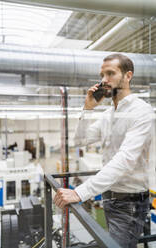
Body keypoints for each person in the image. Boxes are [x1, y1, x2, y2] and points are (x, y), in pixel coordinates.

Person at [54, 53, 153, 248]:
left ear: (128, 76)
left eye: (110, 73)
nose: (104, 80)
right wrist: (88, 108)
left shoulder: (142, 112)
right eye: (102, 75)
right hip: (110, 196)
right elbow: (79, 140)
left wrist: (80, 192)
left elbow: (124, 159)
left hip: (129, 203)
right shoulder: (109, 114)